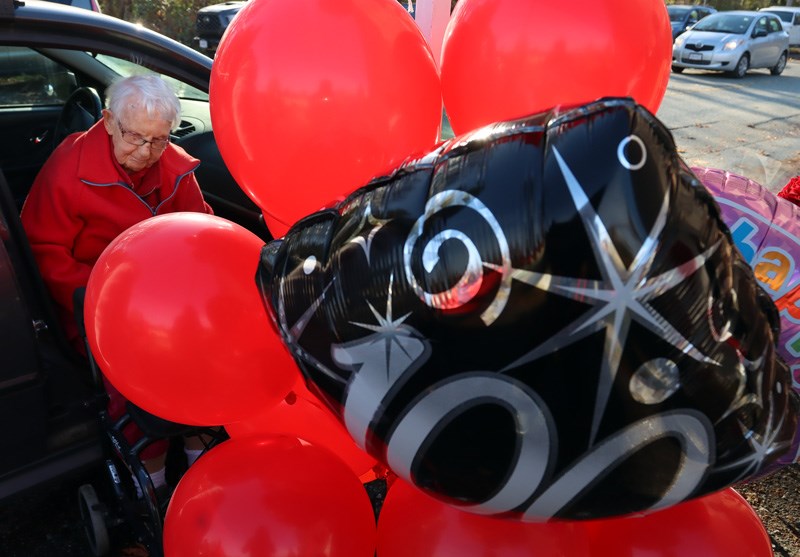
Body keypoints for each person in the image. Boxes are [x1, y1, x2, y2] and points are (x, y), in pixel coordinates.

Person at [21, 74, 213, 494]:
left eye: (158, 140)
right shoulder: (69, 168)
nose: (146, 153)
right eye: (135, 138)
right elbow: (43, 252)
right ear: (108, 121)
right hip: (92, 301)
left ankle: (206, 464)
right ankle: (154, 483)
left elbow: (202, 233)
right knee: (139, 369)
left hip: (167, 299)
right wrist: (114, 296)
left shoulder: (174, 166)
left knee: (208, 351)